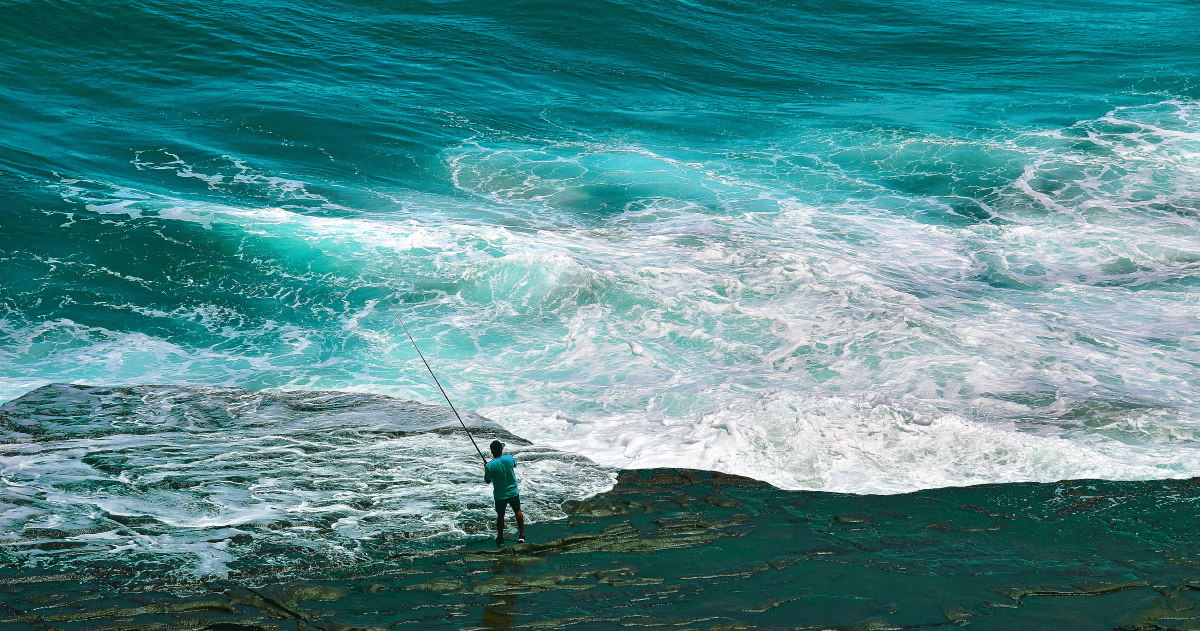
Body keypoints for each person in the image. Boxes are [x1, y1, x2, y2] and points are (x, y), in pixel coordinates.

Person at [483, 440, 524, 546]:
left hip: (500, 495)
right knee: (517, 511)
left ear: (492, 451)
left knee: (500, 516)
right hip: (513, 491)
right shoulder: (510, 458)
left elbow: (488, 480)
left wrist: (487, 468)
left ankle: (501, 539)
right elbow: (513, 465)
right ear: (501, 449)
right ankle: (522, 536)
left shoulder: (490, 466)